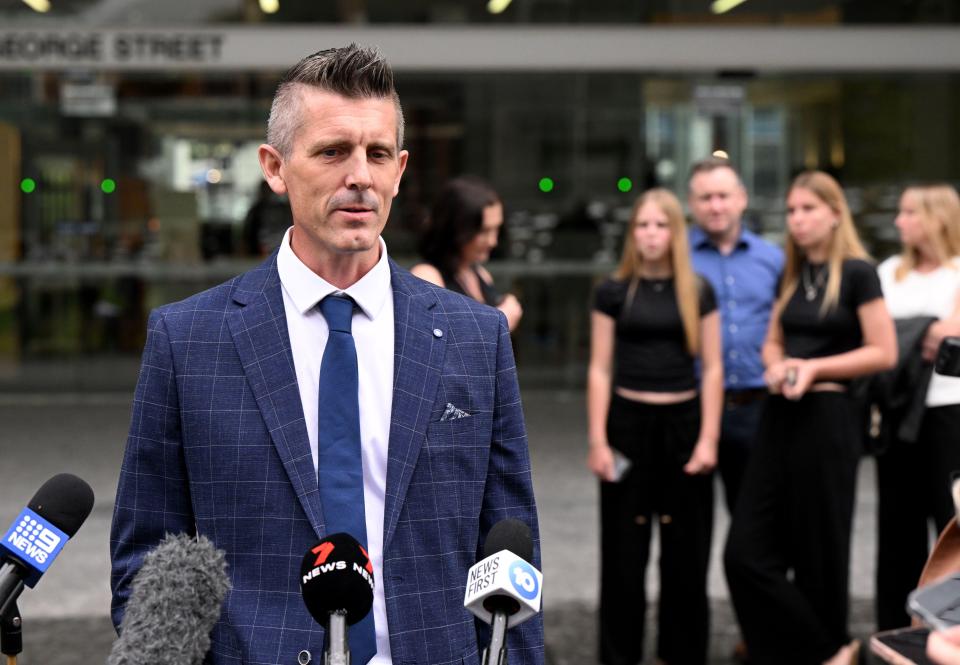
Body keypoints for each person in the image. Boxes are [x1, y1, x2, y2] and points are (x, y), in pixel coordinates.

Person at [110, 44, 544, 665]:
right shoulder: (188, 340)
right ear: (274, 167)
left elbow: (512, 556)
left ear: (400, 169)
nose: (359, 176)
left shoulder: (475, 337)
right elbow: (147, 560)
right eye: (332, 151)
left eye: (376, 154)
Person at [724, 171, 897, 665]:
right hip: (781, 415)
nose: (797, 220)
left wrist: (814, 367)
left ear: (835, 213)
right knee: (745, 553)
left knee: (821, 545)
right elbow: (774, 339)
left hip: (830, 416)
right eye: (793, 211)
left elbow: (883, 351)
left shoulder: (859, 273)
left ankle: (824, 648)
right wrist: (776, 365)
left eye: (808, 209)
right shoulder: (794, 271)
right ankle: (830, 649)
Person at [586, 188, 723, 665]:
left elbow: (713, 368)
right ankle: (619, 654)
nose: (650, 233)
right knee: (624, 553)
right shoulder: (613, 291)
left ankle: (680, 654)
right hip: (628, 428)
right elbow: (600, 368)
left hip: (684, 428)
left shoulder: (698, 290)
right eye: (642, 225)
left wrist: (708, 439)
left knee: (686, 554)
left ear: (675, 232)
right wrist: (599, 440)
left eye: (660, 225)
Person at [874, 184, 960, 630]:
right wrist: (927, 329)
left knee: (952, 528)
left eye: (909, 212)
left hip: (949, 413)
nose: (899, 221)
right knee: (897, 531)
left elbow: (950, 336)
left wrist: (910, 331)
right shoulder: (890, 272)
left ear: (937, 219)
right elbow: (876, 334)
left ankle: (951, 632)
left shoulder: (958, 272)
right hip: (896, 412)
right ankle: (895, 631)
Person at [687, 157, 783, 516]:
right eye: (705, 197)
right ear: (691, 203)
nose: (716, 206)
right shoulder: (676, 258)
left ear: (742, 198)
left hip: (756, 409)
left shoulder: (773, 259)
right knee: (687, 528)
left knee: (755, 525)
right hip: (690, 408)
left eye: (723, 196)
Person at [411, 176, 523, 331]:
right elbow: (438, 340)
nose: (492, 241)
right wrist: (501, 322)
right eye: (483, 231)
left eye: (496, 229)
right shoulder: (427, 276)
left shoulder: (480, 274)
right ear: (457, 229)